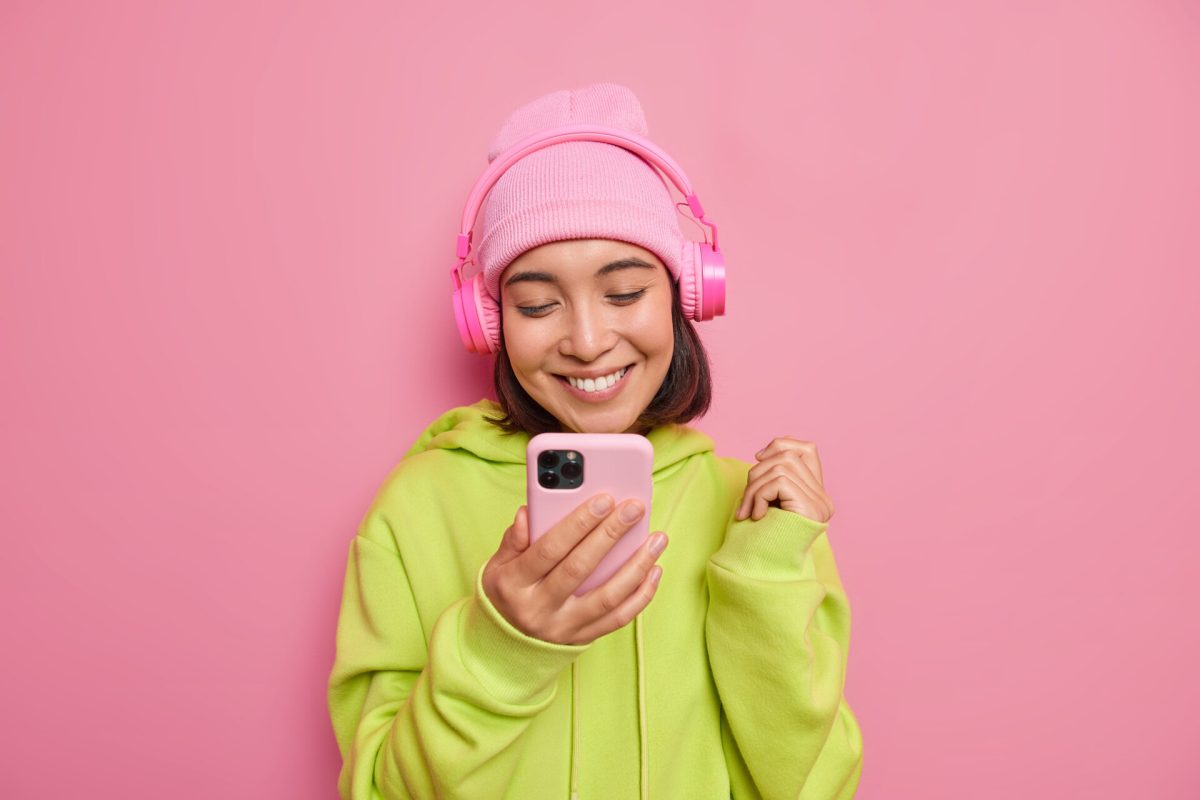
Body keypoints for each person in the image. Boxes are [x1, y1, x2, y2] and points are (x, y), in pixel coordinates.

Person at [326, 82, 864, 800]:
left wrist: (765, 577)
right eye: (538, 304)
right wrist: (500, 645)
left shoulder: (754, 517)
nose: (585, 342)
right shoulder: (417, 507)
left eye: (623, 294)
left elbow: (812, 789)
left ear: (685, 295)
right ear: (488, 322)